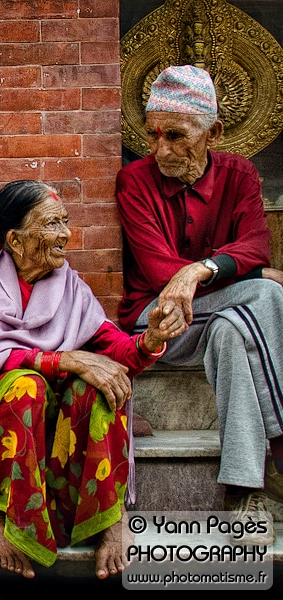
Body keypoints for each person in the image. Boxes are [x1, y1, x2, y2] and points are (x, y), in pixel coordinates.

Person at [0, 180, 186, 579]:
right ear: (16, 241)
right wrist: (67, 360)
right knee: (26, 384)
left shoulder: (71, 287)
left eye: (66, 222)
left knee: (99, 384)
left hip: (64, 425)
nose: (66, 235)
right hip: (15, 417)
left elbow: (117, 352)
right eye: (52, 224)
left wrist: (151, 340)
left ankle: (110, 519)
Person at [115, 64, 283, 546]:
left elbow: (257, 244)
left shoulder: (240, 174)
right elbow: (158, 274)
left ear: (215, 131)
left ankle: (242, 489)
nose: (160, 149)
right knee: (268, 292)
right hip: (158, 322)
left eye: (175, 135)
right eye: (152, 135)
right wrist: (235, 272)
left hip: (221, 316)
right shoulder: (134, 181)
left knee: (235, 328)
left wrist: (198, 270)